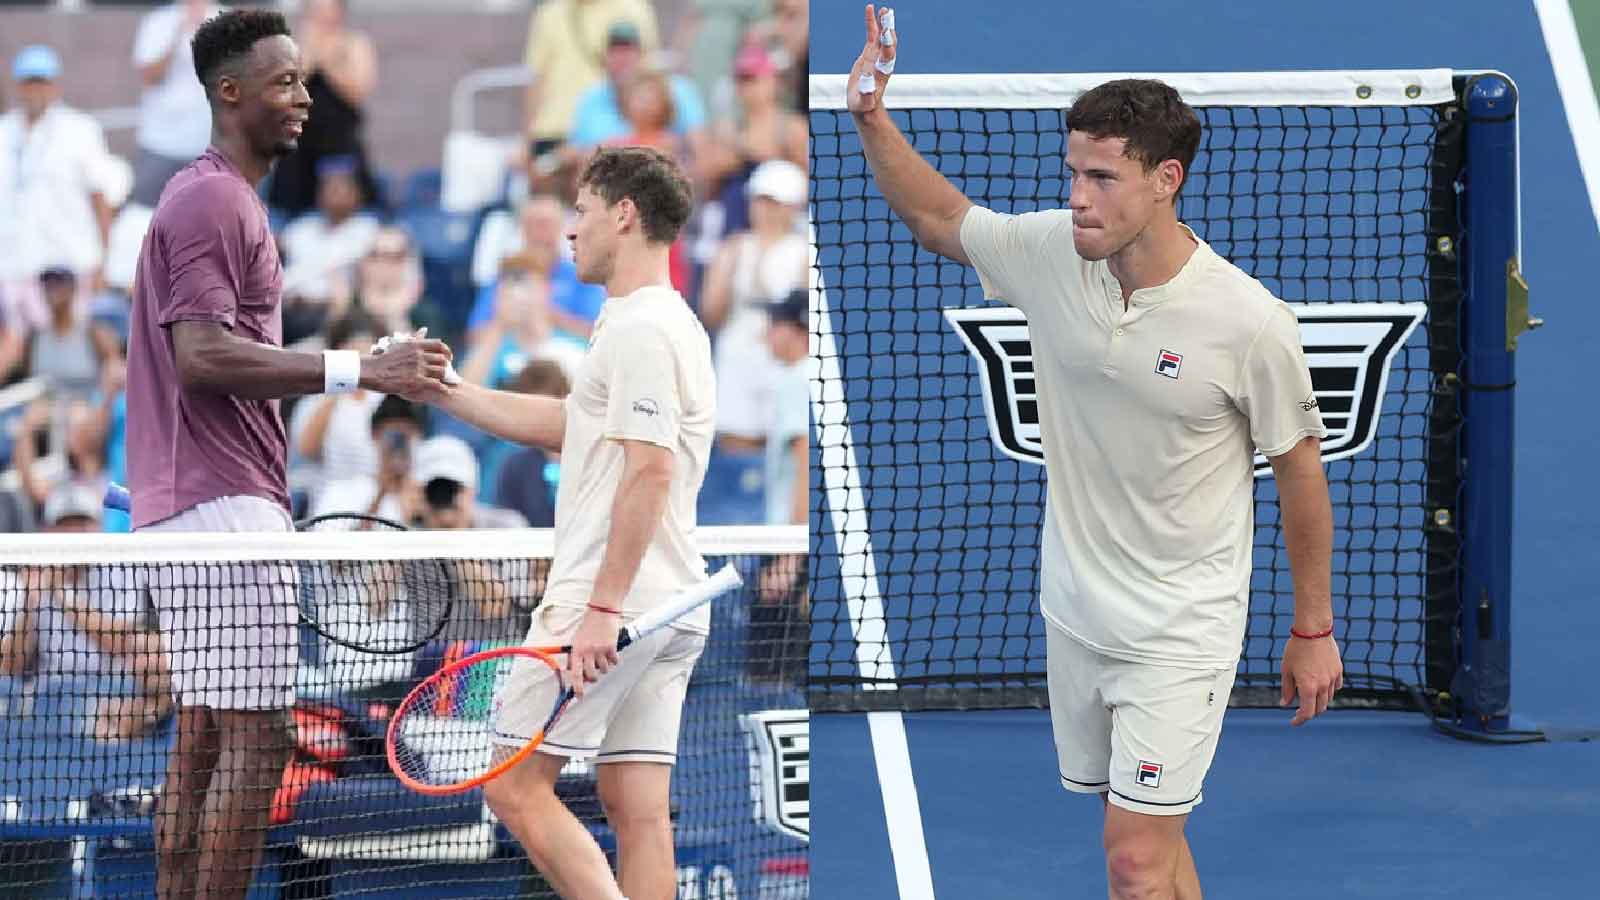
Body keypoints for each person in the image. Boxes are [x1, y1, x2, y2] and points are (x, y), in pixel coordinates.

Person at [845, 8, 1344, 899]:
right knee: (1152, 844)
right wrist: (872, 118)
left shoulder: (1248, 323)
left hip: (1180, 632)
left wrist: (1313, 629)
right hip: (1076, 614)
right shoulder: (1052, 253)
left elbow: (1301, 476)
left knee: (1132, 865)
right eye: (1073, 171)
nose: (1078, 194)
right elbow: (939, 217)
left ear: (1166, 180)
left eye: (1103, 177)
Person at [123, 11, 449, 899]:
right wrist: (360, 367)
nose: (304, 97)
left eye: (303, 80)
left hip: (200, 499)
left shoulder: (223, 199)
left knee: (203, 730)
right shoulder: (211, 198)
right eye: (283, 82)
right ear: (229, 93)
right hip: (218, 504)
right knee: (259, 736)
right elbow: (201, 357)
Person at [415, 146, 712, 900]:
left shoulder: (642, 329)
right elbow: (567, 423)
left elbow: (650, 469)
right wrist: (447, 391)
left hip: (611, 600)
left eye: (579, 213)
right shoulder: (657, 320)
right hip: (674, 602)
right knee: (636, 808)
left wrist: (602, 610)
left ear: (625, 214)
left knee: (512, 788)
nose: (568, 233)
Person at [0, 483, 173, 741]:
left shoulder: (120, 569)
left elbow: (121, 642)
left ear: (98, 527)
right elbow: (10, 666)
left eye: (82, 522)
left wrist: (62, 593)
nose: (75, 532)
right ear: (48, 531)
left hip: (113, 692)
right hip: (52, 700)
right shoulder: (34, 575)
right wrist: (30, 602)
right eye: (65, 524)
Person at [0, 45, 115, 337]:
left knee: (73, 344)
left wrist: (104, 260)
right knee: (18, 345)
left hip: (69, 261)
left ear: (55, 86)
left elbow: (100, 197)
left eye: (42, 81)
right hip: (15, 261)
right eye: (29, 82)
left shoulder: (80, 129)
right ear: (18, 85)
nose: (35, 90)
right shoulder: (4, 131)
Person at [265, 0, 379, 216]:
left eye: (328, 10)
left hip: (339, 145)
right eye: (317, 10)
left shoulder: (355, 44)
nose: (323, 17)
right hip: (297, 148)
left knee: (344, 208)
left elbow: (358, 92)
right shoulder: (293, 47)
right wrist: (309, 54)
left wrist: (327, 59)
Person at [522, 1, 660, 169]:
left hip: (611, 132)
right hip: (553, 131)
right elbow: (536, 80)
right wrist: (527, 143)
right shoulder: (550, 12)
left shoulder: (632, 7)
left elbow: (647, 66)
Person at [130, 0, 222, 208]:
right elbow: (149, 76)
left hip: (209, 143)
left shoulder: (226, 20)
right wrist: (179, 34)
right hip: (160, 142)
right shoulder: (158, 22)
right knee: (147, 214)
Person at [568, 21, 706, 153]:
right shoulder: (591, 98)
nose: (621, 59)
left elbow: (698, 146)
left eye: (628, 51)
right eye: (615, 52)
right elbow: (576, 150)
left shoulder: (677, 89)